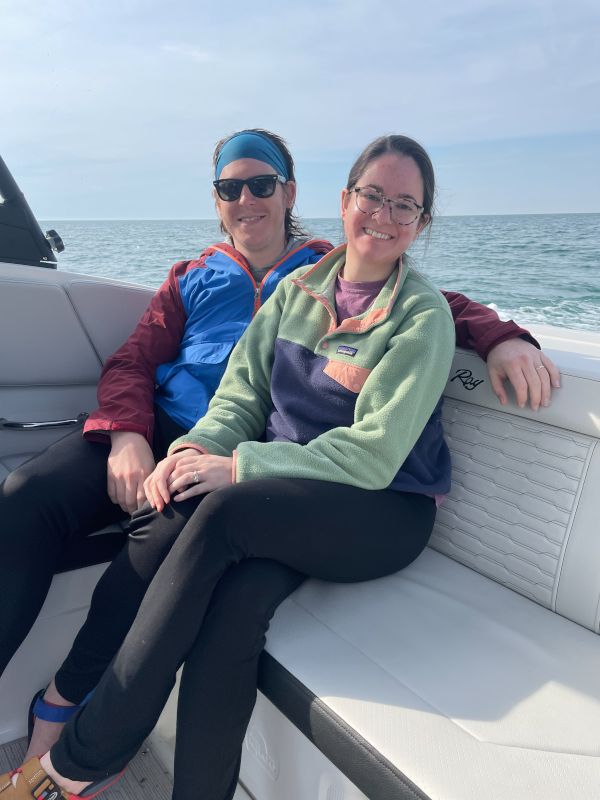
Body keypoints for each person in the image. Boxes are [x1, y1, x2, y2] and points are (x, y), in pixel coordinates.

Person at [0, 133, 555, 800]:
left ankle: (80, 757)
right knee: (223, 608)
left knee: (214, 514)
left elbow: (381, 435)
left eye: (403, 206)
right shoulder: (266, 285)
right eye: (371, 197)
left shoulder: (402, 304)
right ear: (346, 200)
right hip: (270, 476)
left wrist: (502, 335)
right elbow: (231, 393)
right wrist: (177, 449)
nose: (382, 216)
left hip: (371, 496)